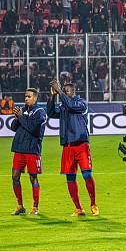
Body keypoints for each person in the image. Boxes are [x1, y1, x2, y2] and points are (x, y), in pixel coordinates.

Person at [47, 79, 99, 216]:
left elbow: (70, 106)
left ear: (73, 92)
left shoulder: (81, 103)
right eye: (62, 91)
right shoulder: (64, 106)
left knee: (87, 175)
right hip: (68, 146)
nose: (63, 93)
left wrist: (59, 92)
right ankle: (78, 208)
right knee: (70, 178)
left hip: (81, 144)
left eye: (65, 91)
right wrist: (52, 96)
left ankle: (93, 204)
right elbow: (51, 113)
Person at [9, 88, 47, 215]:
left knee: (33, 177)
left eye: (28, 96)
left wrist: (21, 117)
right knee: (15, 176)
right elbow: (13, 128)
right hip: (19, 149)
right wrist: (17, 117)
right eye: (25, 96)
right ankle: (20, 206)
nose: (26, 98)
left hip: (32, 149)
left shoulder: (40, 112)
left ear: (35, 98)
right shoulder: (23, 111)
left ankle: (35, 207)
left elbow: (33, 128)